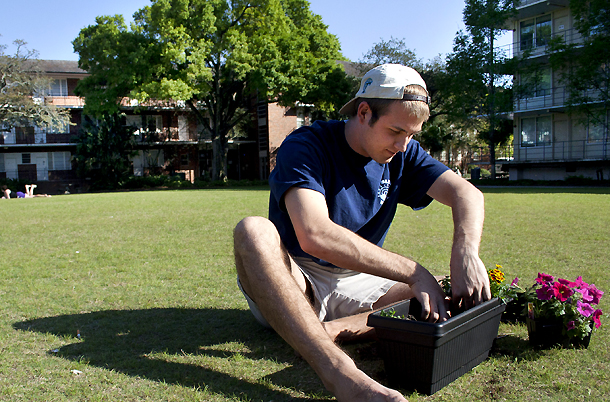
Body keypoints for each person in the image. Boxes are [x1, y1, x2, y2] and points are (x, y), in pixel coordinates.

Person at [233, 64, 490, 402]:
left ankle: (335, 329)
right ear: (364, 112)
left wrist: (466, 252)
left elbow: (466, 193)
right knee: (252, 230)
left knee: (442, 289)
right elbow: (315, 235)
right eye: (395, 131)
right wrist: (414, 272)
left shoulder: (404, 153)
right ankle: (340, 375)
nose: (402, 144)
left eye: (411, 135)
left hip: (359, 280)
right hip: (297, 278)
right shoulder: (307, 145)